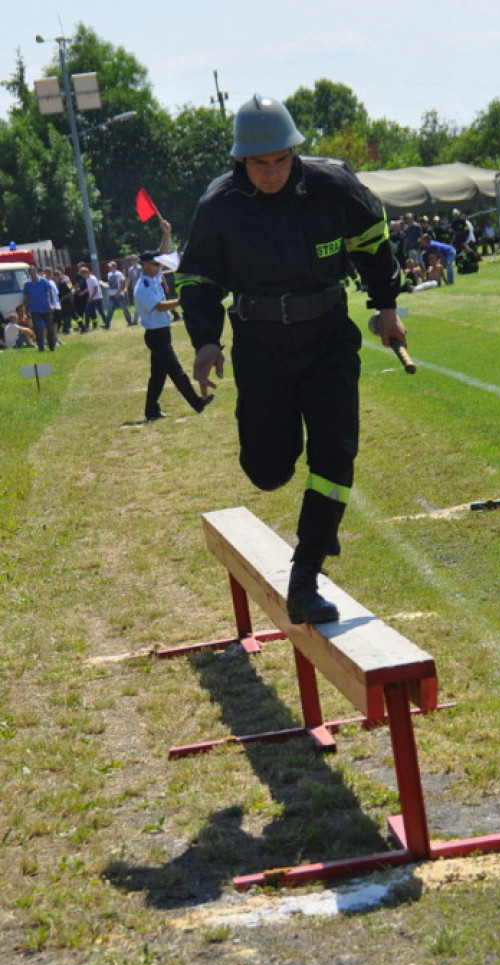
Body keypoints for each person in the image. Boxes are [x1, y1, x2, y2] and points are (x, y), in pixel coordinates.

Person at [177, 93, 405, 625]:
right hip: (260, 346)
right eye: (261, 163)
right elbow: (196, 281)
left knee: (336, 452)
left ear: (295, 151)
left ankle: (306, 575)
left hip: (328, 338)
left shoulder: (334, 187)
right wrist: (207, 341)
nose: (273, 172)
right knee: (267, 469)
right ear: (241, 161)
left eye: (282, 159)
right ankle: (276, 456)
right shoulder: (219, 207)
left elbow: (374, 241)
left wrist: (387, 306)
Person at [135, 221, 214, 423]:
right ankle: (197, 402)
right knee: (176, 372)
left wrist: (166, 233)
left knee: (158, 376)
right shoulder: (142, 286)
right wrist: (181, 301)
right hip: (156, 335)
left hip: (162, 332)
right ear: (144, 265)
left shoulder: (152, 277)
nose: (158, 266)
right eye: (154, 264)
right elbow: (160, 306)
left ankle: (151, 410)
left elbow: (163, 252)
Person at [22, 264, 56, 351]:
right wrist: (26, 310)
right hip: (34, 310)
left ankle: (52, 346)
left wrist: (52, 304)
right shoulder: (27, 284)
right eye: (31, 272)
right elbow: (26, 298)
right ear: (29, 273)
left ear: (36, 272)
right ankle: (41, 347)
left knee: (49, 328)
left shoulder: (43, 281)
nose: (33, 273)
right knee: (38, 329)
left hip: (45, 308)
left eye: (34, 272)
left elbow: (50, 292)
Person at [105, 261, 132, 327]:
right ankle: (107, 324)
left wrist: (118, 293)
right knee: (110, 310)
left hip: (119, 294)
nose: (109, 267)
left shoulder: (119, 273)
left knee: (125, 308)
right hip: (111, 295)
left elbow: (122, 284)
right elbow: (110, 284)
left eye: (110, 266)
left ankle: (129, 321)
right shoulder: (108, 274)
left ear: (114, 266)